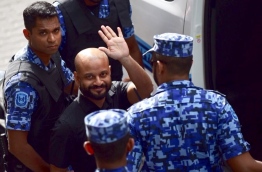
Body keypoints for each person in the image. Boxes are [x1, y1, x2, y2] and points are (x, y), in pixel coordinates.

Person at [126, 33, 262, 171]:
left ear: (160, 66)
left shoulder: (137, 114)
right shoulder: (218, 105)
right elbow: (244, 167)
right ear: (191, 63)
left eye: (152, 62)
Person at [49, 25, 153, 172]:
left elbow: (146, 90)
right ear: (77, 78)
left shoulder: (117, 91)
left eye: (103, 74)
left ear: (110, 72)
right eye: (90, 77)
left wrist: (125, 58)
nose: (98, 82)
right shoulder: (66, 126)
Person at [3, 1, 77, 171]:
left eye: (56, 31)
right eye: (43, 33)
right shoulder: (22, 84)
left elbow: (70, 87)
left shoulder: (51, 53)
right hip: (38, 163)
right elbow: (17, 146)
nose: (52, 39)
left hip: (55, 149)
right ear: (27, 34)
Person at [53, 0, 144, 81]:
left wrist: (137, 81)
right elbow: (54, 60)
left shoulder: (121, 4)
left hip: (114, 88)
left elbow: (132, 47)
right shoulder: (60, 12)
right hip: (78, 91)